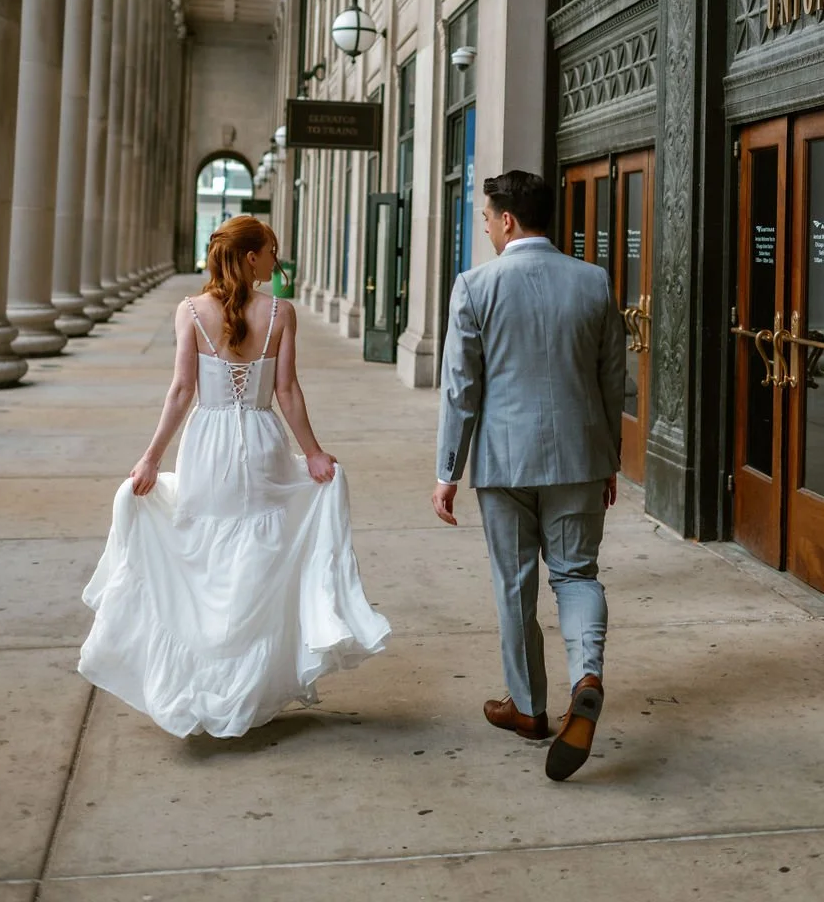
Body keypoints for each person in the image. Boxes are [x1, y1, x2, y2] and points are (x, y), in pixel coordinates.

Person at [79, 216, 389, 738]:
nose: (277, 260)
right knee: (257, 558)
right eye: (271, 250)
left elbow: (181, 391)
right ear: (250, 258)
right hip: (263, 442)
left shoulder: (191, 313)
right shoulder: (281, 313)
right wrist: (311, 453)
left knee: (209, 554)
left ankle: (207, 682)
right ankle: (244, 688)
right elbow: (286, 391)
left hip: (208, 444)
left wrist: (152, 457)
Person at [432, 170, 625, 781]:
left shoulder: (474, 285)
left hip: (503, 459)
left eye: (487, 217)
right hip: (579, 456)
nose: (485, 226)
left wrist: (447, 471)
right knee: (576, 573)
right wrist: (609, 459)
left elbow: (461, 389)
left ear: (508, 220)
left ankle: (529, 708)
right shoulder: (593, 281)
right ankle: (586, 674)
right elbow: (613, 379)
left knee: (515, 582)